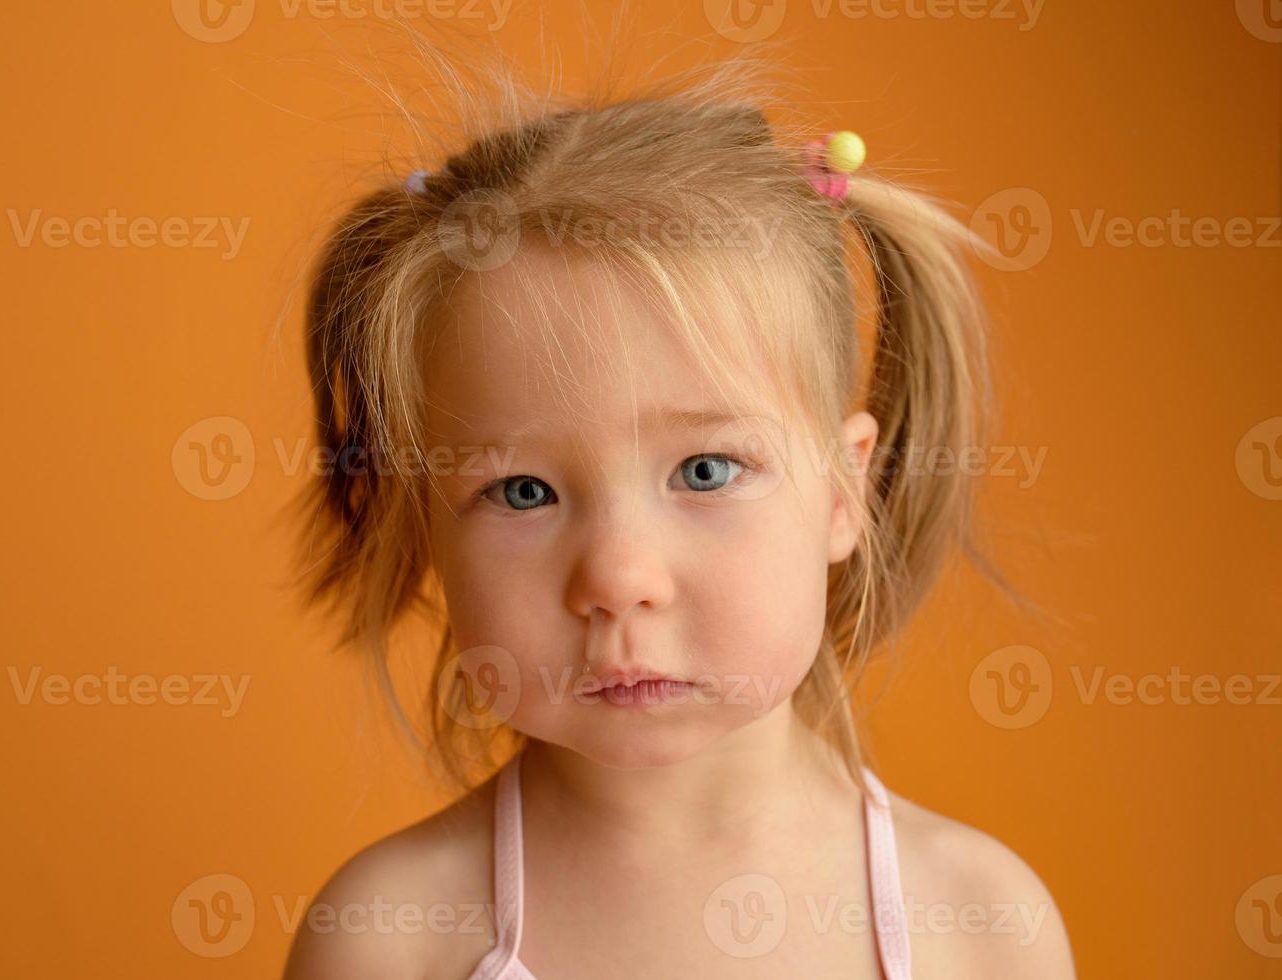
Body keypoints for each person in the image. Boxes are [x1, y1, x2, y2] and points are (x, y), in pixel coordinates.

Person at [284, 47, 1077, 979]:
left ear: (842, 490)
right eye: (522, 491)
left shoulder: (980, 926)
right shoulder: (389, 938)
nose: (616, 582)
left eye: (704, 471)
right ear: (426, 527)